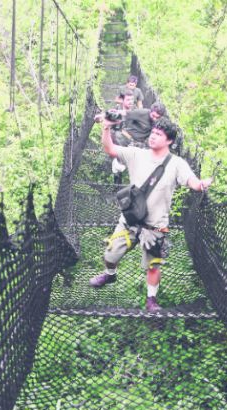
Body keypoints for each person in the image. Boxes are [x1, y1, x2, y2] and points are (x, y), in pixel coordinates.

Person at [89, 116, 213, 311]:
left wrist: (201, 184)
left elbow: (192, 181)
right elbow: (110, 149)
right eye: (153, 132)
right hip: (130, 220)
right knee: (111, 254)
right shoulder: (136, 154)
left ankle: (151, 300)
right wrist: (106, 128)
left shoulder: (177, 163)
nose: (153, 136)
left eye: (159, 134)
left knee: (154, 265)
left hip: (155, 225)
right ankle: (110, 274)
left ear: (169, 141)